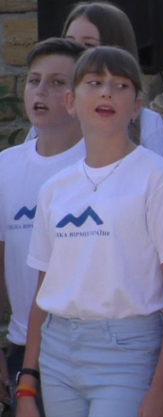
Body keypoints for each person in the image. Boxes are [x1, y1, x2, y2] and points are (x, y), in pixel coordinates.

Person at [16, 47, 163, 417]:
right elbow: (43, 291)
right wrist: (26, 385)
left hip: (127, 349)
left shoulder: (158, 177)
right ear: (71, 100)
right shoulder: (55, 188)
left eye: (120, 85)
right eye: (94, 83)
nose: (106, 93)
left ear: (136, 107)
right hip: (57, 351)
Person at [0, 38, 86, 413]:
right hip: (21, 345)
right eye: (34, 80)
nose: (41, 91)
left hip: (86, 349)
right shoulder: (6, 166)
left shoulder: (98, 164)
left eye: (56, 82)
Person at [23, 2, 163, 161]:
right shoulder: (50, 121)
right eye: (70, 42)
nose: (77, 53)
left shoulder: (149, 124)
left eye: (88, 45)